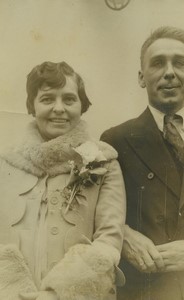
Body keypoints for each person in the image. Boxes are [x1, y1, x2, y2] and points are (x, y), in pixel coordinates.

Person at [0, 61, 126, 300]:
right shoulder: (5, 163)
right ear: (32, 106)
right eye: (47, 99)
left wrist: (59, 293)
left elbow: (109, 239)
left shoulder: (104, 163)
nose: (59, 108)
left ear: (82, 105)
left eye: (69, 99)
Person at [101, 26, 184, 300]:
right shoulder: (115, 139)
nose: (170, 72)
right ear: (141, 77)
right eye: (158, 63)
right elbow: (92, 216)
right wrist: (123, 237)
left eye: (180, 63)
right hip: (143, 291)